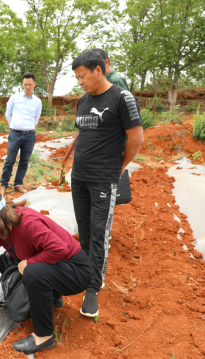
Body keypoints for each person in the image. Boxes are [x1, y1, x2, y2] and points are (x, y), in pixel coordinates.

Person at [0, 187, 92, 355]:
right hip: (57, 267)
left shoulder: (27, 223)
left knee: (32, 272)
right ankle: (52, 298)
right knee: (5, 261)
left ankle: (44, 335)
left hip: (75, 271)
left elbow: (59, 249)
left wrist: (29, 262)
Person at [71, 50, 143, 317]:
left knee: (100, 232)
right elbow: (83, 133)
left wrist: (119, 168)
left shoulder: (122, 98)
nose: (80, 82)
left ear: (98, 70)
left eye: (82, 76)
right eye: (77, 78)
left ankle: (92, 287)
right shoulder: (82, 101)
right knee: (85, 231)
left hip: (103, 178)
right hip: (78, 178)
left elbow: (136, 138)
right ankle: (82, 272)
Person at [0, 72, 42, 197]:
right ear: (22, 84)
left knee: (24, 161)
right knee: (10, 160)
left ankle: (18, 184)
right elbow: (8, 114)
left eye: (29, 84)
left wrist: (28, 128)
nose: (27, 86)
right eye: (25, 84)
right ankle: (3, 185)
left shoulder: (38, 101)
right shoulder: (14, 98)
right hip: (15, 134)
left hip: (29, 135)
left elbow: (36, 119)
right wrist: (15, 126)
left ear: (34, 84)